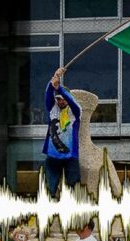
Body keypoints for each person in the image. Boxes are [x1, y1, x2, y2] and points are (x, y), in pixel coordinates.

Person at [42, 67, 82, 197]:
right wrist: (53, 81)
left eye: (63, 98)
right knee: (49, 190)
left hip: (70, 156)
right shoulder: (52, 108)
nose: (61, 101)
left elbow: (72, 102)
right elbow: (48, 94)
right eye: (58, 99)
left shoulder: (75, 112)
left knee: (74, 189)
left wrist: (60, 89)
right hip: (53, 156)